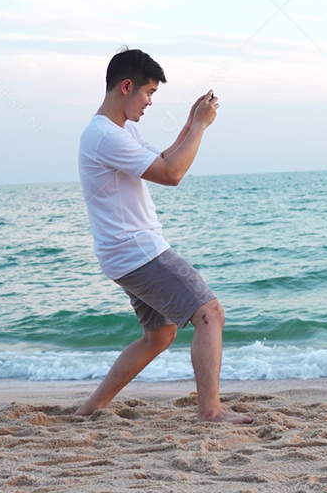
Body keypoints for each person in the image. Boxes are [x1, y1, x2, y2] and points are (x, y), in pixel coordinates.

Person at [76, 48, 253, 423]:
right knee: (210, 313)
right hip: (138, 249)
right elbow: (172, 174)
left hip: (123, 254)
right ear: (126, 86)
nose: (150, 102)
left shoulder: (119, 131)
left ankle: (92, 408)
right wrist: (202, 128)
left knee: (159, 335)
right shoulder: (105, 136)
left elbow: (165, 158)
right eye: (149, 93)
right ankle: (211, 411)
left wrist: (191, 123)